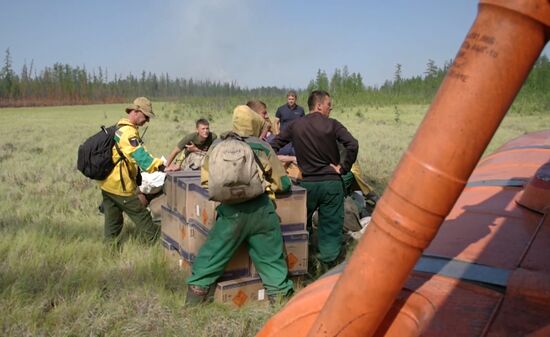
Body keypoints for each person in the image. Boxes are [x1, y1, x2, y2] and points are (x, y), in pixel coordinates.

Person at [185, 105, 294, 304]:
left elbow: (206, 181)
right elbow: (283, 183)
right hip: (262, 211)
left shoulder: (218, 145)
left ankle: (193, 302)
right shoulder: (262, 146)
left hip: (230, 214)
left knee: (211, 255)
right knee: (272, 261)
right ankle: (280, 305)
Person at [271, 90, 358, 271]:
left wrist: (277, 167)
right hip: (331, 184)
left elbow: (272, 145)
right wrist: (343, 168)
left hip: (307, 184)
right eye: (328, 104)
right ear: (319, 105)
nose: (331, 107)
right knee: (331, 226)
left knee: (301, 223)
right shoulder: (333, 125)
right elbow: (353, 144)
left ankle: (302, 261)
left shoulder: (295, 125)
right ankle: (329, 266)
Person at [99, 97, 165, 245]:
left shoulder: (120, 127)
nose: (147, 121)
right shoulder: (128, 132)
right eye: (146, 116)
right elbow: (139, 156)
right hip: (119, 186)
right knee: (142, 217)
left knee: (113, 222)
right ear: (136, 112)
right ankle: (157, 246)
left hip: (107, 184)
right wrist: (162, 166)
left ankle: (109, 252)